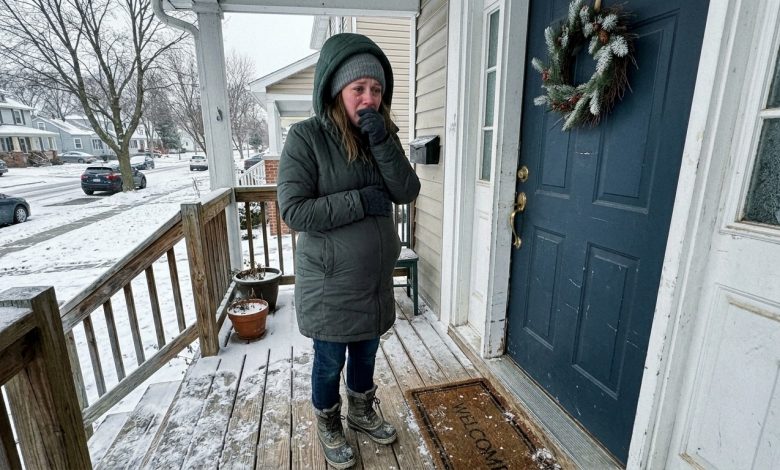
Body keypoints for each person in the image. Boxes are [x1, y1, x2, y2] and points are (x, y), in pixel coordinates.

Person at [277, 33, 420, 469]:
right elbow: (294, 210)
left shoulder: (382, 134)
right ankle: (329, 420)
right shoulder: (306, 138)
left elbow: (406, 189)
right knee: (328, 361)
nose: (369, 97)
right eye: (358, 88)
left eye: (376, 89)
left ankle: (359, 411)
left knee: (366, 354)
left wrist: (383, 142)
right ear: (336, 90)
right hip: (330, 283)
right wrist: (360, 201)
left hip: (373, 282)